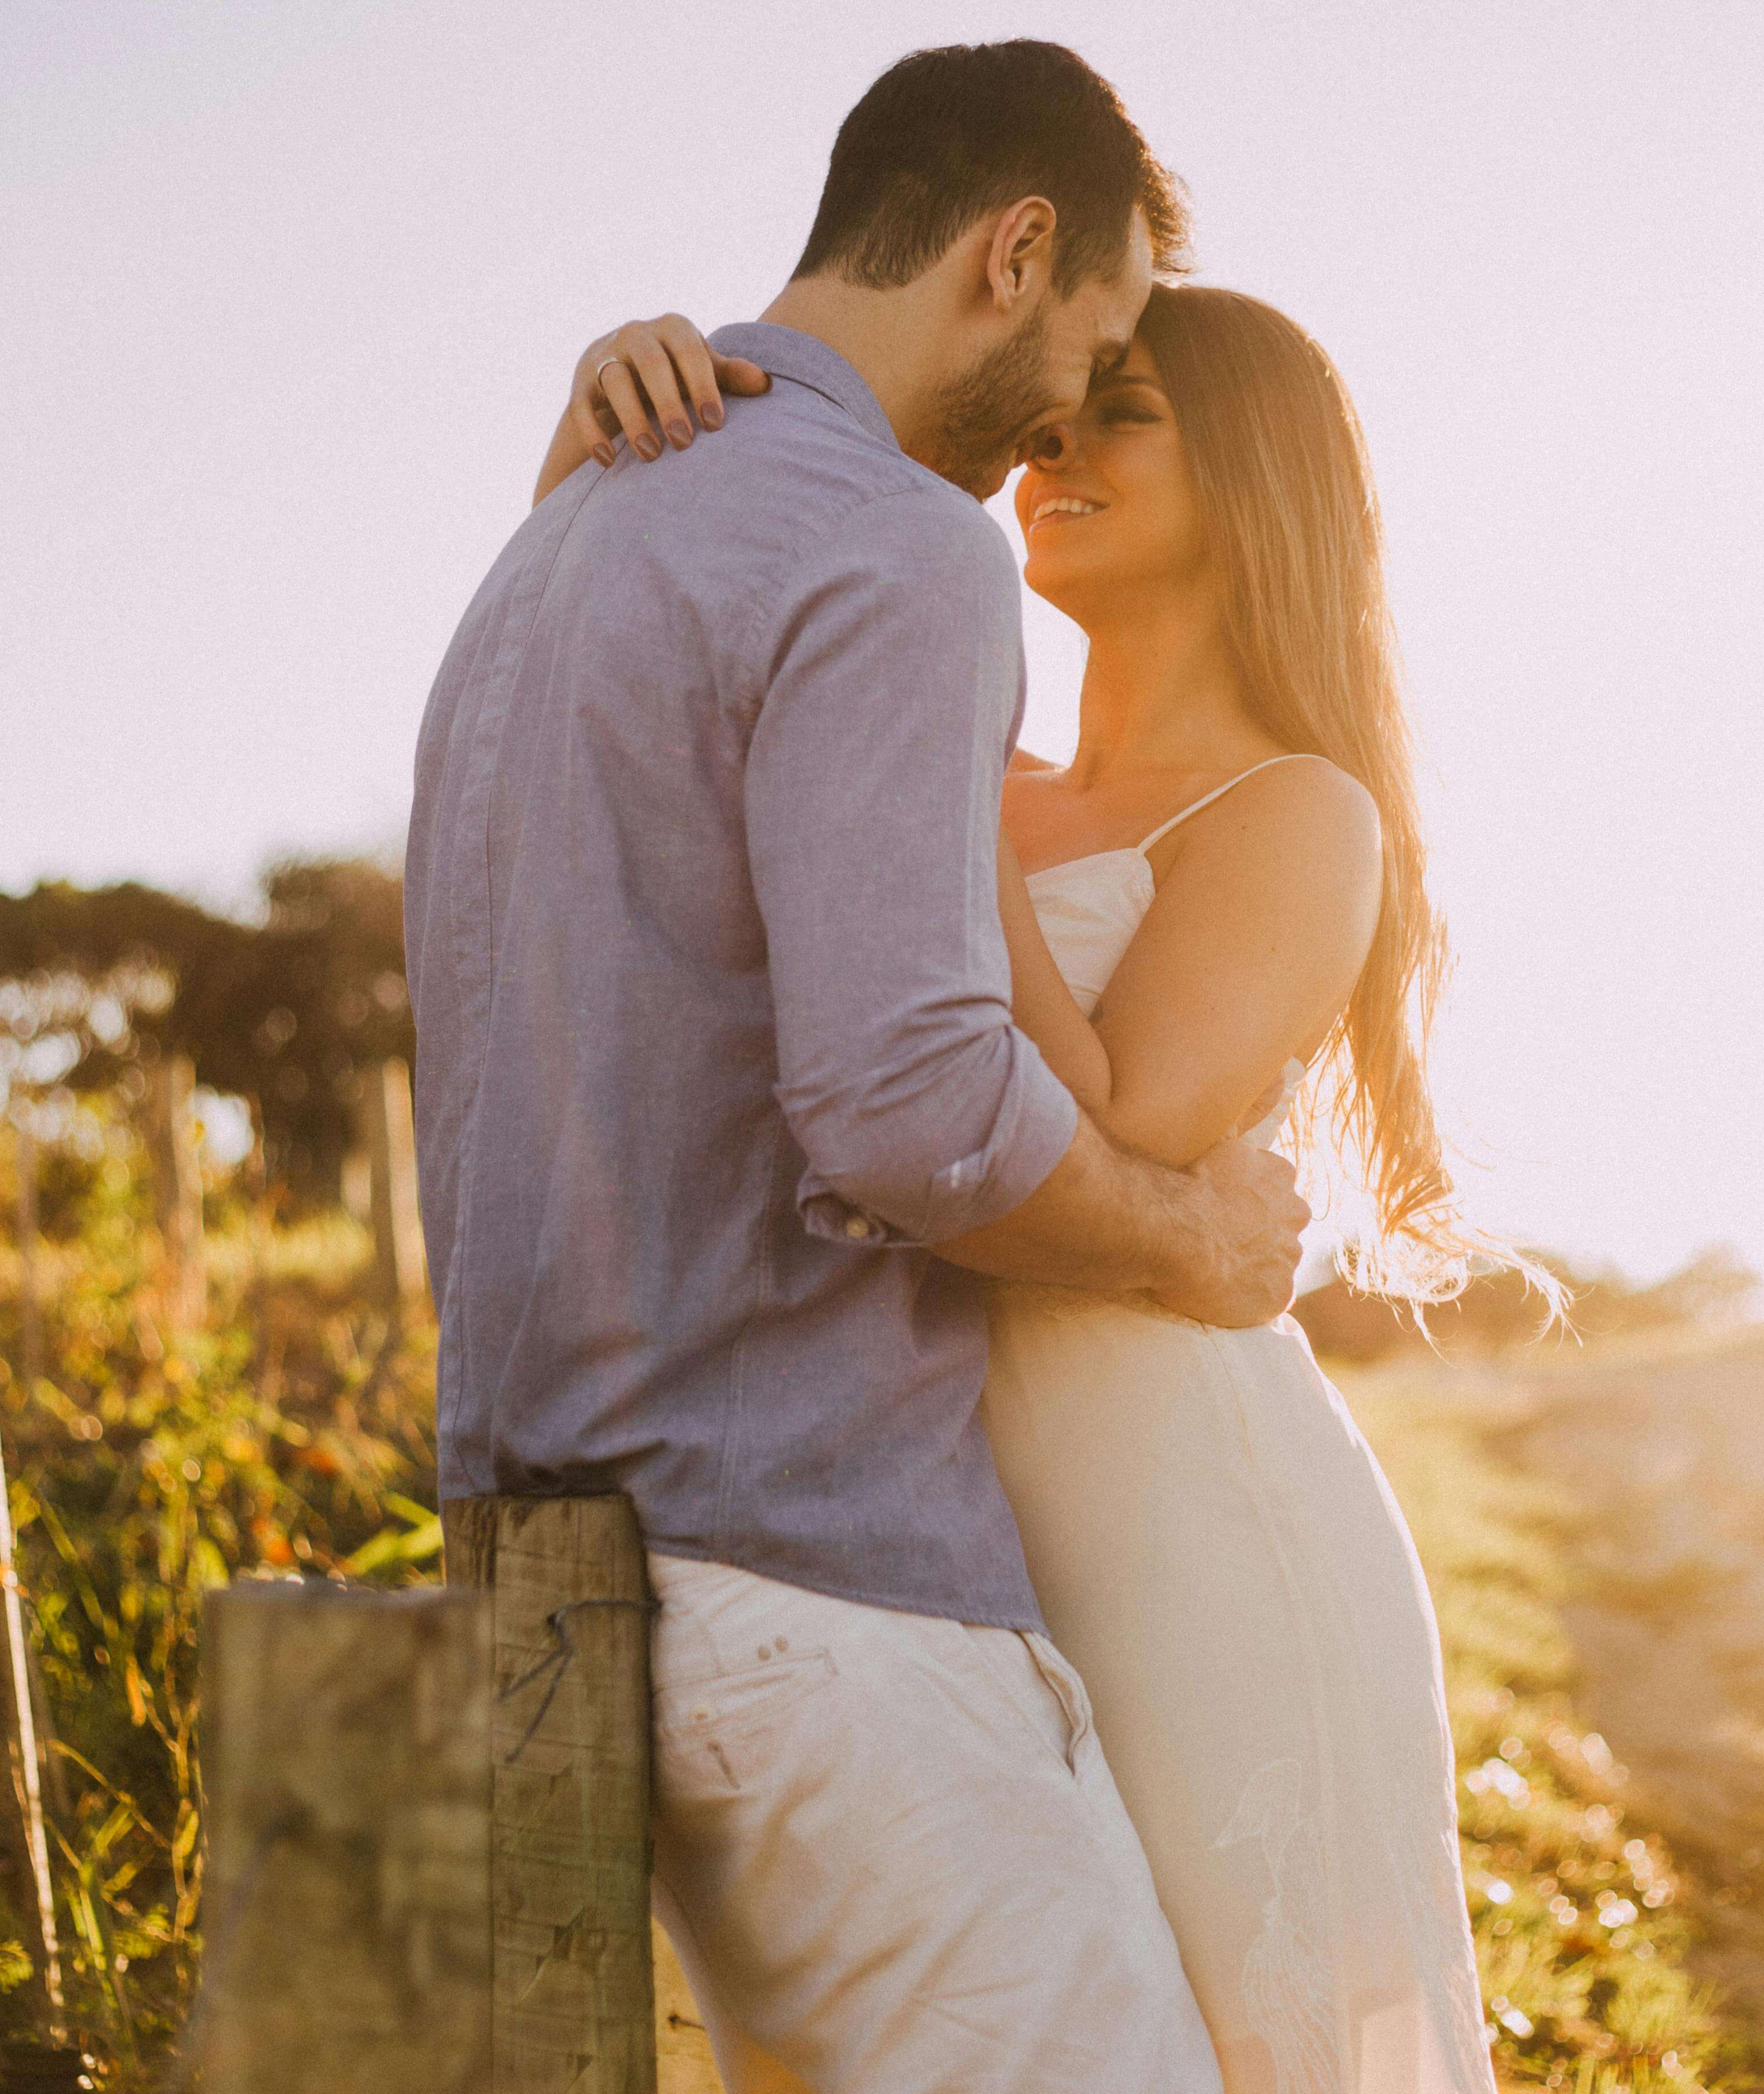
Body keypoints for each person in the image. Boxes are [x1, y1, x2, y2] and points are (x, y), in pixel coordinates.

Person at [404, 40, 1310, 2094]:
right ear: (1017, 252)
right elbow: (906, 1103)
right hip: (817, 1598)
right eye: (1098, 335)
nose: (1080, 404)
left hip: (537, 1584)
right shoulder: (902, 547)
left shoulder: (546, 552)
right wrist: (1184, 1240)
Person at [542, 260, 1534, 2094]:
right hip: (927, 1529)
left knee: (1255, 2037)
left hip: (1193, 1522)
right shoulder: (944, 745)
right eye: (1059, 413)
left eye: (1126, 415)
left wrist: (944, 777)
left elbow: (1109, 1126)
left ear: (1261, 479)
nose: (1056, 442)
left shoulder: (1296, 810)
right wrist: (600, 436)